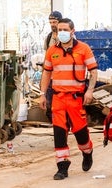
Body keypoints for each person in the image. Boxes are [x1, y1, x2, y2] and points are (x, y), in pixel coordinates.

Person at [39, 18, 98, 180]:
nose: (61, 33)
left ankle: (87, 152)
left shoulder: (83, 49)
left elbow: (93, 71)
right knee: (59, 133)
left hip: (76, 99)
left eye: (65, 29)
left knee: (81, 133)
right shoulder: (52, 50)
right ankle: (62, 166)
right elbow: (46, 73)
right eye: (59, 30)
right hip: (58, 98)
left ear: (73, 31)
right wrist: (42, 93)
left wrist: (90, 91)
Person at [44, 10, 63, 123]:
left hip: (63, 77)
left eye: (54, 22)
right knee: (49, 101)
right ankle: (54, 122)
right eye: (50, 22)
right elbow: (47, 56)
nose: (52, 24)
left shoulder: (66, 36)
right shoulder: (49, 38)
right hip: (51, 76)